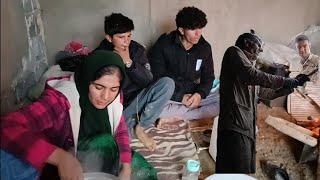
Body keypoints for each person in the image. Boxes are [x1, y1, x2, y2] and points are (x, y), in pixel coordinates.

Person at [1, 51, 132, 179]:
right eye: (98, 87)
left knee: (138, 168)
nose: (106, 96)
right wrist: (61, 158)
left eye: (113, 89)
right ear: (86, 80)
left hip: (89, 157)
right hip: (55, 161)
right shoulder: (60, 99)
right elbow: (7, 126)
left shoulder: (114, 98)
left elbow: (120, 130)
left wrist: (126, 166)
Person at [216, 30, 310, 173]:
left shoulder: (248, 69)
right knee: (236, 171)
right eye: (257, 48)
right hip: (234, 126)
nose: (258, 53)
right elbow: (251, 75)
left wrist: (292, 86)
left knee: (239, 170)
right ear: (247, 44)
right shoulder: (234, 53)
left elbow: (267, 93)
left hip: (246, 127)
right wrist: (285, 81)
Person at [95, 13, 174, 151]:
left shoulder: (137, 50)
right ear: (109, 37)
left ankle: (141, 126)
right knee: (112, 143)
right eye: (121, 37)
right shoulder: (99, 55)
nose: (126, 41)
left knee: (167, 83)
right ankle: (128, 123)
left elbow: (148, 80)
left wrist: (129, 62)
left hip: (138, 99)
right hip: (116, 108)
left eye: (129, 36)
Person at [149, 6, 219, 126]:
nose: (198, 34)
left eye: (200, 28)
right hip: (170, 94)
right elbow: (156, 77)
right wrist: (180, 98)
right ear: (181, 30)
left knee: (225, 102)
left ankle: (178, 116)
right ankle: (186, 112)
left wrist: (199, 94)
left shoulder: (204, 47)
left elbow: (208, 77)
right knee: (152, 109)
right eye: (193, 29)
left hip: (193, 92)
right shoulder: (164, 44)